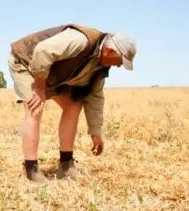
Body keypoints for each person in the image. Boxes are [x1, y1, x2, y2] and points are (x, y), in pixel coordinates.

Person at [7, 24, 136, 182]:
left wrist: (95, 132)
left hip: (50, 74)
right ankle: (31, 170)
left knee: (74, 104)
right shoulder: (81, 41)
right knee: (35, 108)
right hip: (26, 61)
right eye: (119, 61)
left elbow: (95, 97)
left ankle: (66, 165)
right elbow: (42, 51)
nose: (118, 66)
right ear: (109, 51)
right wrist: (40, 88)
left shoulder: (99, 67)